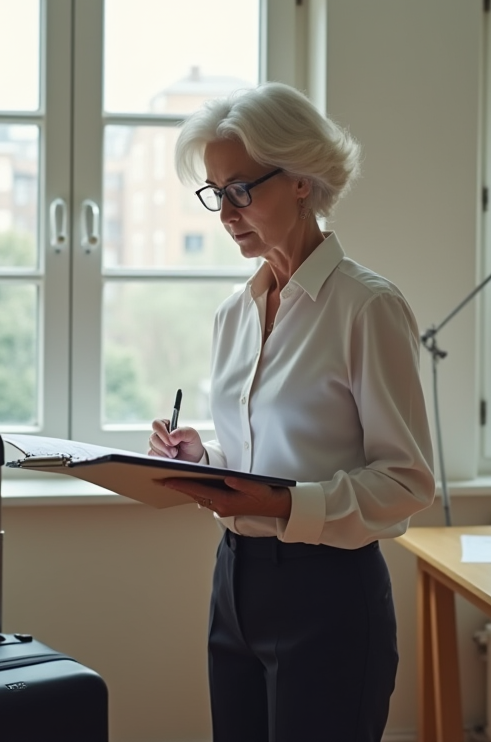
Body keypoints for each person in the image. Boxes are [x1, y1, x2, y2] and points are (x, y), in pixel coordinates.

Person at [147, 82, 436, 742]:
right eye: (215, 193)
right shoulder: (233, 315)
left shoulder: (367, 308)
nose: (226, 213)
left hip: (329, 594)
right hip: (235, 582)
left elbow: (406, 482)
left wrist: (282, 505)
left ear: (302, 180)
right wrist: (205, 458)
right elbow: (265, 456)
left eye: (240, 190)